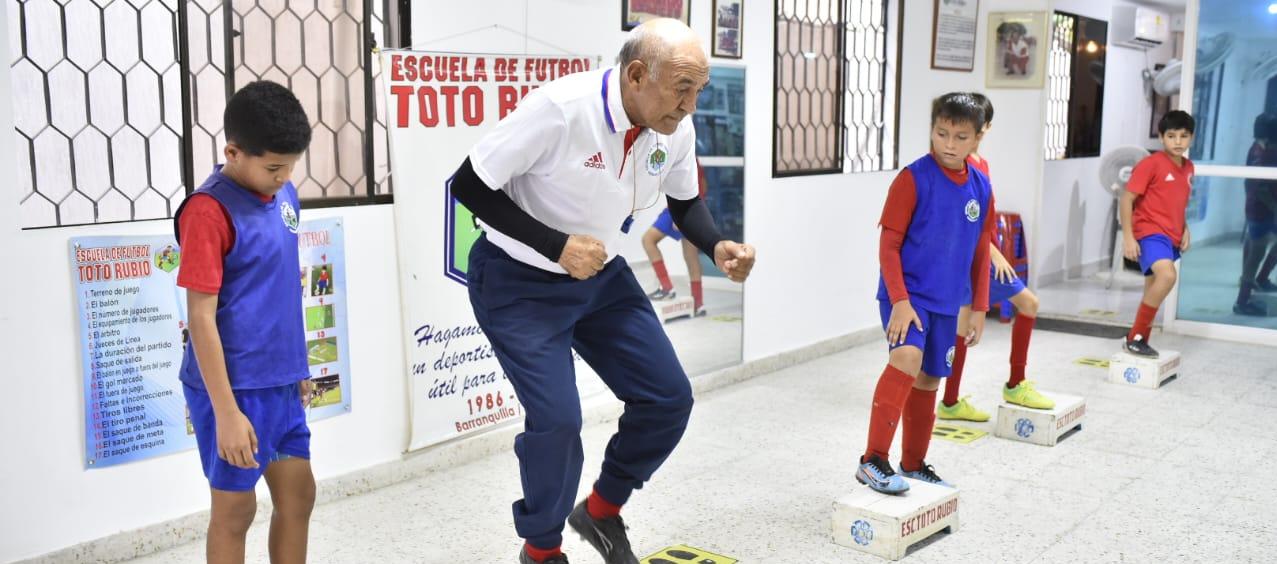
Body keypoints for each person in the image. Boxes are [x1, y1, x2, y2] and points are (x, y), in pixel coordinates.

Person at [447, 19, 756, 564]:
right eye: (682, 87)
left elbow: (683, 202)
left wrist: (716, 245)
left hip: (601, 279)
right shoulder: (561, 109)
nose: (690, 104)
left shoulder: (672, 126)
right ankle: (541, 550)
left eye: (699, 90)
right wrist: (555, 245)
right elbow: (469, 185)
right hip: (518, 281)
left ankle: (602, 510)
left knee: (668, 398)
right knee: (559, 422)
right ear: (637, 74)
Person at [174, 81, 316, 564]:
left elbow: (278, 287)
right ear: (233, 152)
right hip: (234, 390)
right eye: (274, 167)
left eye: (292, 166)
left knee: (299, 497)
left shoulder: (284, 195)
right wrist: (229, 412)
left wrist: (295, 367)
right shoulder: (207, 212)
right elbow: (200, 318)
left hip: (280, 382)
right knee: (236, 512)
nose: (284, 177)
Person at [856, 92, 995, 495]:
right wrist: (899, 300)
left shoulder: (981, 186)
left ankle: (914, 464)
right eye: (941, 133)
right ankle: (872, 460)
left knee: (931, 378)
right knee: (907, 358)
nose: (949, 144)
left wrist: (980, 306)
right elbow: (889, 245)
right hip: (908, 294)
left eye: (960, 136)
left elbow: (981, 249)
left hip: (947, 301)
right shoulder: (913, 178)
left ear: (977, 139)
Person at [938, 93, 1053, 424]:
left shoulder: (980, 165)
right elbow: (963, 220)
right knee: (1027, 304)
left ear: (984, 129)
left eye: (974, 129)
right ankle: (1014, 384)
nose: (965, 137)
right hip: (972, 259)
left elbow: (982, 217)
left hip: (982, 255)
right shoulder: (954, 166)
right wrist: (993, 253)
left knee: (966, 326)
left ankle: (950, 401)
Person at [1121, 110, 1196, 357]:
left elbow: (1177, 201)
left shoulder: (1189, 168)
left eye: (1184, 136)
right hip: (1150, 231)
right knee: (1167, 276)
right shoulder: (1150, 164)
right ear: (1162, 137)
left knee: (1153, 285)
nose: (1178, 141)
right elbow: (1126, 199)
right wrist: (1129, 237)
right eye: (1171, 136)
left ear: (1191, 139)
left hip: (1172, 234)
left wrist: (1185, 228)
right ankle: (1136, 336)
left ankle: (1140, 341)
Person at [643, 157, 710, 316]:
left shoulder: (681, 154)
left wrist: (680, 216)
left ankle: (667, 288)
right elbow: (703, 185)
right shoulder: (691, 155)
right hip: (693, 208)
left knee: (648, 240)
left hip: (681, 209)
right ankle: (698, 304)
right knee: (691, 256)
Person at [1236, 112, 1277, 315]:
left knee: (1255, 248)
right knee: (1256, 252)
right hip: (1263, 210)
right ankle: (1243, 301)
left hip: (1257, 208)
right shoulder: (1264, 152)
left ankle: (1254, 283)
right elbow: (1260, 185)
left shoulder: (1258, 149)